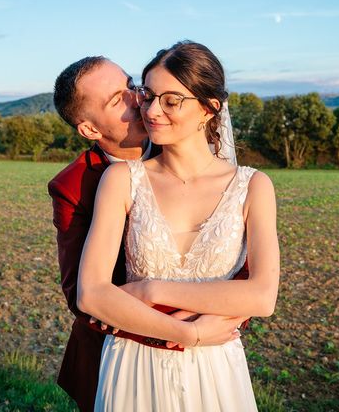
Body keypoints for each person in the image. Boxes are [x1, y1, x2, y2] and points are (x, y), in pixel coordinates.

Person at [77, 41, 280, 410]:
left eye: (171, 100)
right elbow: (90, 294)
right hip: (133, 365)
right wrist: (192, 332)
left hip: (216, 369)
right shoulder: (122, 180)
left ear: (208, 108)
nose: (152, 111)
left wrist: (150, 289)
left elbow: (262, 296)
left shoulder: (254, 186)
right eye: (149, 95)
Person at [48, 56, 244, 411]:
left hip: (210, 355)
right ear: (91, 130)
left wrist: (222, 318)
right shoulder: (73, 187)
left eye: (129, 84)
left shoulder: (188, 142)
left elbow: (237, 255)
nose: (137, 98)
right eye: (115, 100)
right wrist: (182, 334)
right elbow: (84, 295)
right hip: (124, 359)